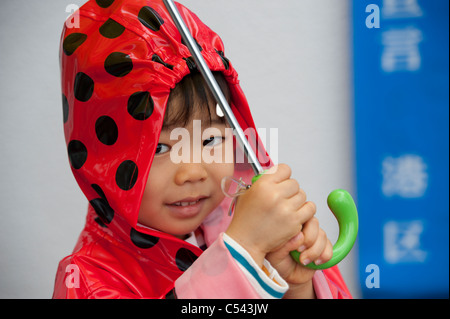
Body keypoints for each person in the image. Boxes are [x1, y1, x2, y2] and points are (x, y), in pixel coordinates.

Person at [53, 0, 351, 299]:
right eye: (160, 147)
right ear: (104, 157)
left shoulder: (243, 218)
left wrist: (297, 287)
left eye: (210, 141)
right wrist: (241, 252)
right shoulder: (87, 282)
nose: (192, 171)